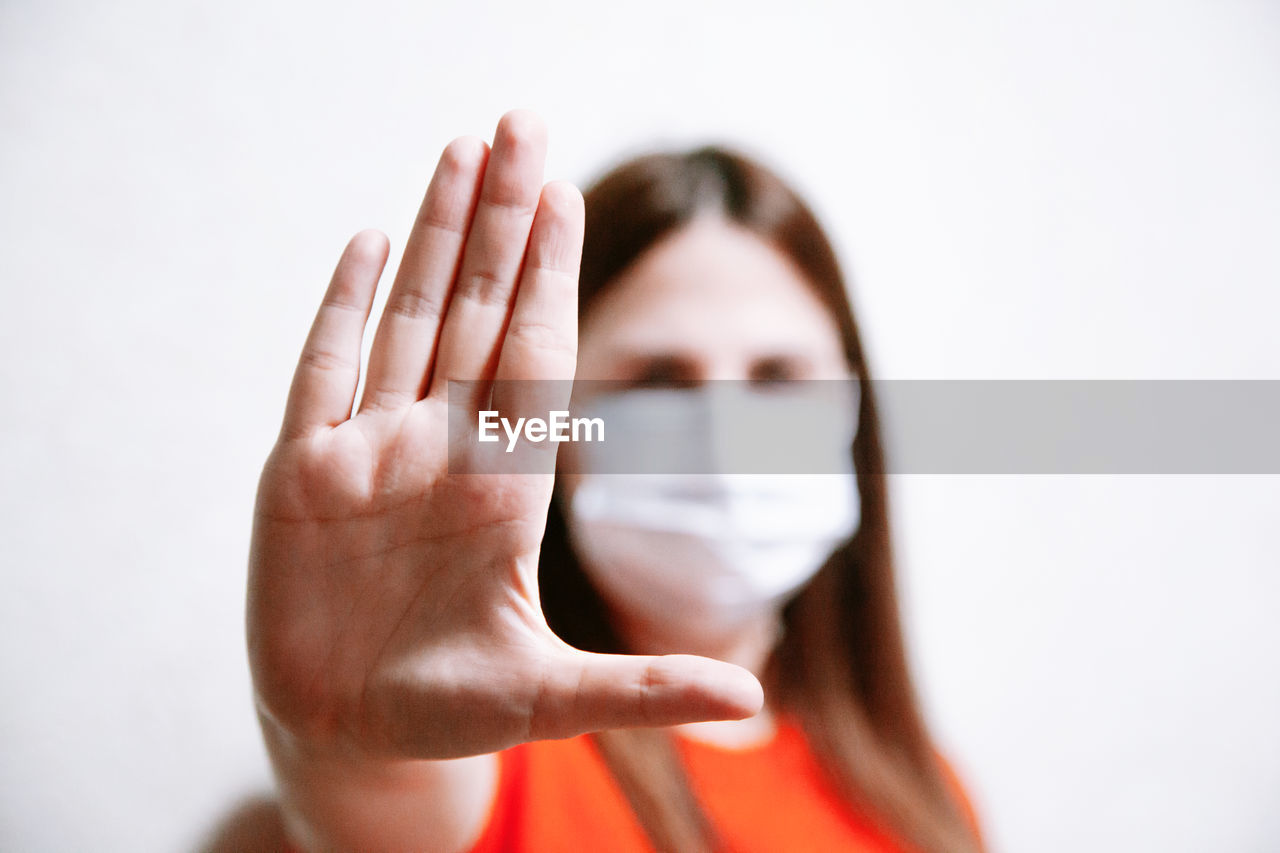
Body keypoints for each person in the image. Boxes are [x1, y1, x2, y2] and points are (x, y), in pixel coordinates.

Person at [240, 110, 985, 853]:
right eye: (658, 378)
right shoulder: (483, 739)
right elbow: (383, 795)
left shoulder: (924, 795)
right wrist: (344, 751)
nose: (723, 434)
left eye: (779, 376)